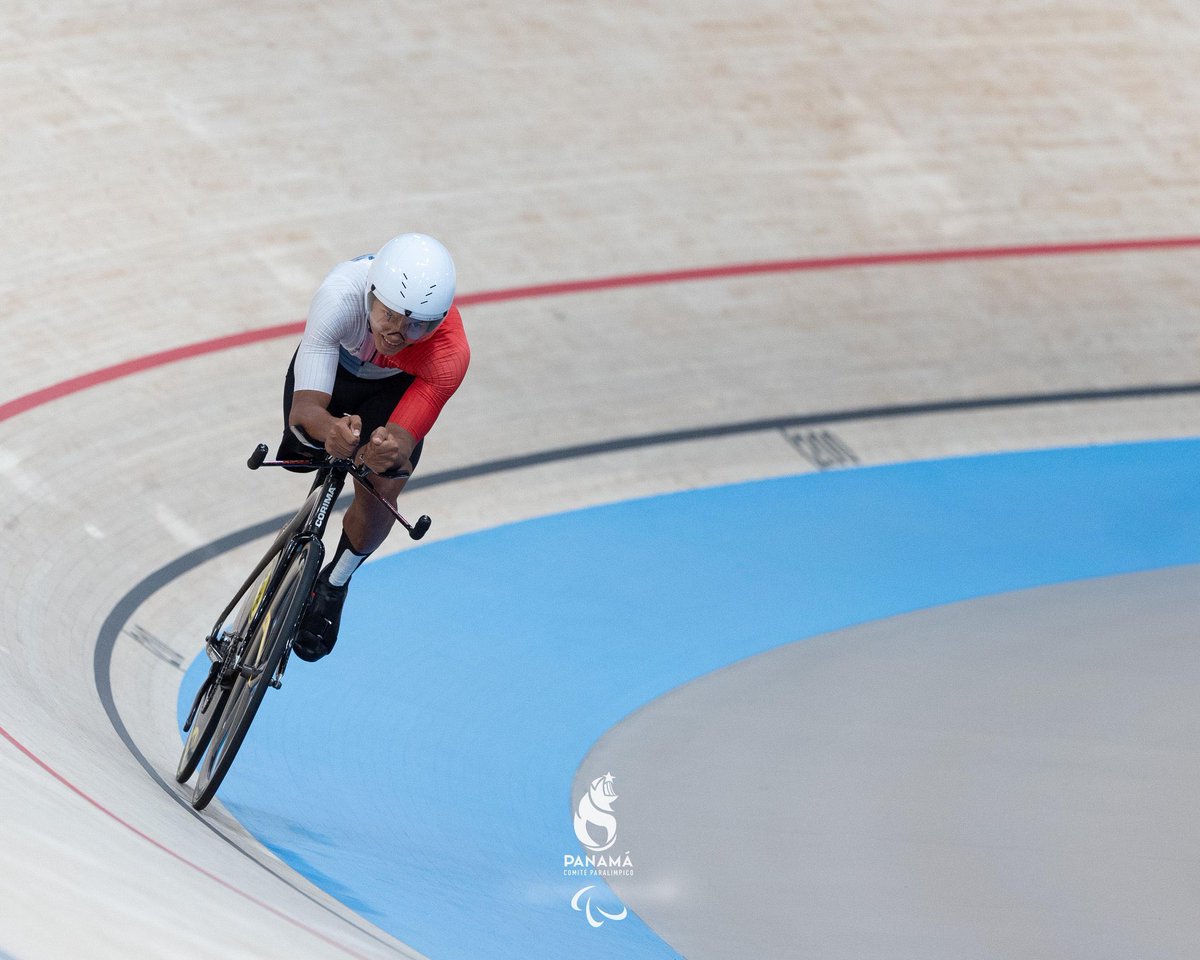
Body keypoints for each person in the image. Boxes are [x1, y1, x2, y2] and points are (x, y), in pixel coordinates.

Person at [278, 233, 470, 661]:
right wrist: (328, 429)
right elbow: (307, 407)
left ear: (439, 321)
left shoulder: (448, 352)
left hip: (395, 391)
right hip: (336, 369)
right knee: (301, 449)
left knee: (384, 485)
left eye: (420, 324)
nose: (401, 333)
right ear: (371, 295)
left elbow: (402, 438)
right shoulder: (339, 297)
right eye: (392, 315)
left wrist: (386, 450)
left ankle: (335, 582)